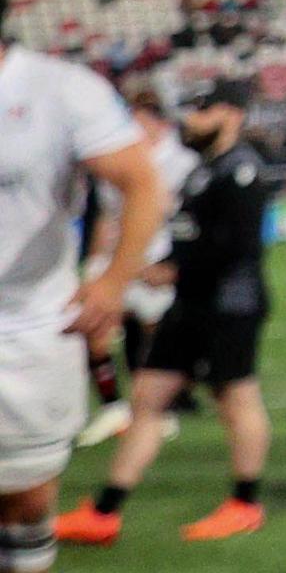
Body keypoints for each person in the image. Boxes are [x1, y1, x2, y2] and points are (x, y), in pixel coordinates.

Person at [55, 80, 269, 545]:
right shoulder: (202, 170)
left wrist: (171, 271)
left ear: (231, 114)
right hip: (189, 303)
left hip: (228, 306)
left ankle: (245, 504)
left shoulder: (243, 170)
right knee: (147, 400)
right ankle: (104, 512)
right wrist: (164, 269)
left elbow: (235, 248)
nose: (190, 119)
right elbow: (190, 237)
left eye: (202, 109)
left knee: (237, 401)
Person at [0, 40, 167, 573]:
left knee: (24, 499)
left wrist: (113, 282)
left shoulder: (62, 88)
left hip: (25, 329)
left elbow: (141, 182)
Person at [73, 86, 199, 450]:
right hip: (118, 258)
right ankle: (113, 406)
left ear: (157, 121)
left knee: (156, 335)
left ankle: (158, 409)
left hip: (157, 258)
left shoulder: (181, 161)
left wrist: (172, 264)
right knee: (95, 329)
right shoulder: (115, 159)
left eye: (139, 119)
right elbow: (107, 216)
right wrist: (94, 264)